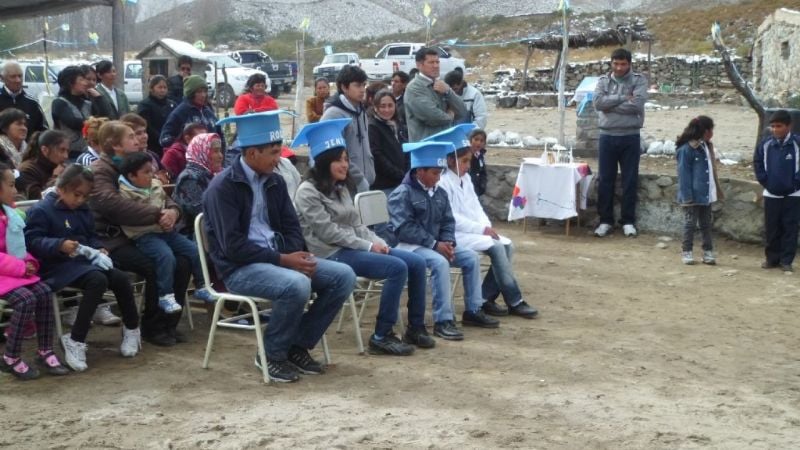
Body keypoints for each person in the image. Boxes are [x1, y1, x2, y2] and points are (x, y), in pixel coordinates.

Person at [204, 111, 355, 383]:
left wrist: (298, 255)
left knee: (343, 276)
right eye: (274, 152)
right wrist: (284, 260)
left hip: (279, 260)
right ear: (251, 153)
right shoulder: (222, 188)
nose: (280, 158)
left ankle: (297, 346)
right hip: (240, 268)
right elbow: (232, 246)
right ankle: (271, 355)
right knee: (296, 284)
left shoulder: (274, 180)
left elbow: (292, 227)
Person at [293, 119, 432, 355]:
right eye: (339, 159)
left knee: (416, 262)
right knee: (396, 268)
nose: (345, 164)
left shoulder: (340, 187)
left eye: (346, 159)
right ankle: (381, 335)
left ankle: (415, 327)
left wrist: (378, 242)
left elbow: (356, 224)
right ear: (324, 161)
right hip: (330, 253)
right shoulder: (307, 191)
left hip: (354, 248)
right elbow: (329, 233)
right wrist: (368, 246)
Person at [25, 165, 142, 372]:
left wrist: (99, 249)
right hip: (55, 266)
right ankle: (75, 339)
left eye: (84, 197)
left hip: (82, 263)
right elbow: (32, 241)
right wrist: (59, 245)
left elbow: (90, 237)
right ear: (61, 188)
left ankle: (132, 329)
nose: (79, 200)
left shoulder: (82, 210)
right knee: (97, 280)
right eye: (76, 195)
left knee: (121, 278)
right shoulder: (42, 210)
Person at [89, 120, 191, 347]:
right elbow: (111, 204)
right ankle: (151, 326)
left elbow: (163, 195)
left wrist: (172, 213)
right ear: (115, 145)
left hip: (144, 233)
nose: (138, 140)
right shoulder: (100, 170)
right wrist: (157, 214)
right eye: (132, 137)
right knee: (155, 263)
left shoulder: (138, 163)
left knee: (184, 262)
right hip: (112, 239)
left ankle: (169, 322)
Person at [388, 140, 499, 342]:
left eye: (440, 173)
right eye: (434, 173)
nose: (439, 178)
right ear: (419, 171)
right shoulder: (402, 194)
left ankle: (474, 309)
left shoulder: (439, 192)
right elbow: (404, 229)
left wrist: (448, 241)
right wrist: (435, 244)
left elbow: (448, 220)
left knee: (471, 258)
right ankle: (443, 320)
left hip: (436, 245)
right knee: (440, 263)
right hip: (411, 248)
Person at [433, 124, 539, 319]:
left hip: (473, 231)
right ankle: (514, 299)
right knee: (497, 248)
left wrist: (486, 226)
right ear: (450, 161)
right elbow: (452, 218)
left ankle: (486, 297)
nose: (467, 166)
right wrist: (481, 229)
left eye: (469, 162)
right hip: (456, 234)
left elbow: (477, 207)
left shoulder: (466, 180)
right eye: (464, 162)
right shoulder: (443, 182)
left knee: (508, 245)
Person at [116, 152, 215, 312]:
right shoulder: (124, 193)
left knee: (194, 250)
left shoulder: (155, 185)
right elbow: (131, 215)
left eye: (151, 170)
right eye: (146, 172)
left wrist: (171, 216)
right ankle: (165, 295)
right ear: (132, 176)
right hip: (144, 235)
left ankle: (202, 285)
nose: (151, 175)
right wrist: (159, 217)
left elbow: (167, 202)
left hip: (166, 231)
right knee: (165, 256)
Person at [0, 162, 69, 380]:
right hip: (6, 274)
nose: (15, 190)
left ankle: (45, 350)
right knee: (25, 300)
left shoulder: (10, 214)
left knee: (44, 292)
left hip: (14, 272)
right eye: (11, 185)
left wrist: (30, 263)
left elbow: (20, 246)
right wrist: (22, 267)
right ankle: (10, 356)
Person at [592, 48, 648, 238]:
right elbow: (598, 103)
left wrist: (611, 105)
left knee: (630, 180)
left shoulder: (639, 80)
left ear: (629, 64)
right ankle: (605, 221)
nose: (619, 67)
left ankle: (628, 221)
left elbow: (637, 105)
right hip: (607, 136)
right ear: (611, 63)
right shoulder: (603, 81)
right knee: (605, 180)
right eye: (616, 63)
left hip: (630, 136)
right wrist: (624, 98)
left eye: (623, 64)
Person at [754, 109, 800, 272]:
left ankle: (786, 261)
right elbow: (758, 164)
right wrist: (767, 183)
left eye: (779, 126)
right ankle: (772, 259)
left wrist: (795, 185)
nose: (775, 129)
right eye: (772, 126)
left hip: (793, 195)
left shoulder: (797, 144)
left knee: (790, 228)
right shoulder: (766, 144)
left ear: (789, 126)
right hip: (771, 193)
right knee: (772, 228)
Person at [676, 116, 722, 265]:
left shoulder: (706, 146)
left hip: (706, 194)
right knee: (690, 224)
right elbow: (684, 175)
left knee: (706, 224)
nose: (712, 133)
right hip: (692, 195)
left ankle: (707, 251)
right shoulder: (686, 150)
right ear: (705, 131)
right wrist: (687, 196)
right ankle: (687, 251)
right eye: (710, 130)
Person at [320, 65, 374, 193]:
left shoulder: (361, 110)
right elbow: (331, 154)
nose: (362, 90)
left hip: (365, 183)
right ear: (344, 87)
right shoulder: (334, 114)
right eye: (357, 85)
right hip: (345, 186)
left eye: (363, 85)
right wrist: (358, 178)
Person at [403, 47, 466, 142]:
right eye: (431, 62)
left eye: (437, 62)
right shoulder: (414, 88)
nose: (436, 66)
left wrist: (448, 92)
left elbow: (462, 111)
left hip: (446, 144)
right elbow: (433, 117)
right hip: (426, 148)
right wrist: (451, 116)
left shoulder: (442, 85)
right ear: (419, 65)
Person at [172, 133, 223, 234]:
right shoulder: (189, 178)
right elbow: (202, 211)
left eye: (220, 151)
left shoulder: (215, 174)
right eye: (215, 151)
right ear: (202, 152)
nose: (221, 156)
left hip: (217, 228)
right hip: (194, 233)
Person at [159, 75, 221, 151]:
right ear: (190, 93)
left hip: (211, 159)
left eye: (205, 91)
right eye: (199, 92)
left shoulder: (208, 112)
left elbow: (220, 135)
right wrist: (185, 146)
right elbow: (164, 139)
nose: (203, 95)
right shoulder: (180, 113)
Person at [368, 89, 407, 193]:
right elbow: (377, 155)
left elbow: (406, 148)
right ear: (375, 108)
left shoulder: (398, 125)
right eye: (382, 106)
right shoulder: (372, 126)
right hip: (384, 184)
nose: (387, 109)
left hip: (401, 181)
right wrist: (398, 174)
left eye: (390, 105)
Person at [51, 66, 92, 160]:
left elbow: (106, 117)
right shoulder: (59, 102)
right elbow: (73, 122)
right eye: (81, 79)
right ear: (70, 83)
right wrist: (93, 123)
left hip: (87, 153)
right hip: (69, 155)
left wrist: (99, 98)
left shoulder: (87, 103)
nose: (86, 83)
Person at [16, 130, 68, 200]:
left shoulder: (61, 168)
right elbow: (38, 199)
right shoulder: (27, 170)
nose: (66, 156)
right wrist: (55, 178)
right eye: (62, 150)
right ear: (45, 150)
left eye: (67, 151)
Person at [121, 113, 170, 184]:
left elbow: (167, 176)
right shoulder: (126, 161)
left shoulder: (152, 155)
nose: (144, 136)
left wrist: (165, 177)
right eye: (138, 133)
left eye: (144, 132)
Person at [0, 61, 47, 134]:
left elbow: (43, 130)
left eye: (20, 76)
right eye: (13, 76)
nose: (18, 80)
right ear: (2, 78)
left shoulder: (32, 102)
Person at [136, 75, 177, 156]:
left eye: (165, 87)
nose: (162, 90)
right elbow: (147, 126)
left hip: (171, 144)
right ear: (152, 89)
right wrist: (161, 139)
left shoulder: (172, 104)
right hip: (153, 145)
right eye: (159, 87)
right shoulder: (145, 105)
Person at [390, 70, 410, 143]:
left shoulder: (407, 101)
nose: (393, 84)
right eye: (392, 81)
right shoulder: (386, 97)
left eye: (396, 81)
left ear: (404, 84)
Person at [467, 128, 487, 197]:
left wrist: (482, 185)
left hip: (477, 191)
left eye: (481, 141)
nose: (478, 143)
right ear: (470, 140)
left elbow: (483, 172)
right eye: (476, 139)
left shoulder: (480, 156)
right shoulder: (466, 156)